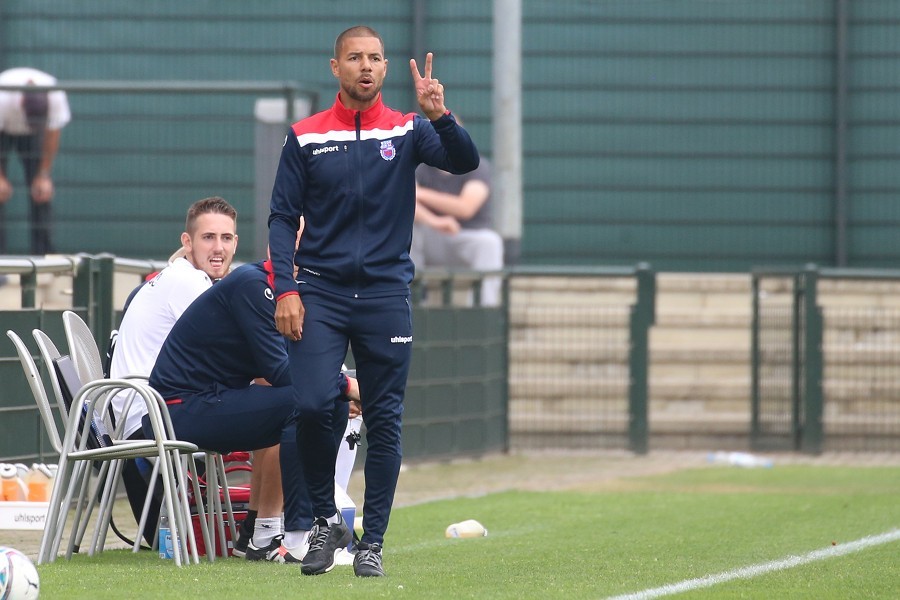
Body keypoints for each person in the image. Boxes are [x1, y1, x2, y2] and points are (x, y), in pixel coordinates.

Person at [267, 25, 480, 577]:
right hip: (320, 292)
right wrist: (286, 288)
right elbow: (281, 217)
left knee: (384, 419)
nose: (366, 66)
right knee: (313, 403)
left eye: (376, 58)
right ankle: (322, 523)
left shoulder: (409, 129)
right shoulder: (305, 136)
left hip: (385, 294)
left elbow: (464, 162)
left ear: (385, 70)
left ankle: (373, 544)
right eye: (355, 57)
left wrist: (440, 114)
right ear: (334, 67)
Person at [147, 257, 360, 564]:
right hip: (178, 409)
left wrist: (338, 387)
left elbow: (284, 371)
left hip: (210, 400)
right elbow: (279, 371)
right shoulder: (253, 284)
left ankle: (287, 529)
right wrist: (347, 386)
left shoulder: (298, 294)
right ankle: (289, 535)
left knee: (323, 401)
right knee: (309, 401)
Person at [109, 196, 241, 545]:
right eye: (208, 238)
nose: (218, 248)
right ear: (187, 242)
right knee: (289, 406)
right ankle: (276, 529)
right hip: (147, 418)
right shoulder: (188, 283)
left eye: (226, 238)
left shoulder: (179, 277)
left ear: (236, 243)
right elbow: (235, 355)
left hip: (141, 412)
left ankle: (266, 525)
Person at [412, 154, 504, 306]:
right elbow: (404, 200)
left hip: (466, 237)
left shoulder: (477, 165)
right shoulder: (418, 165)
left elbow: (466, 207)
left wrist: (420, 193)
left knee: (490, 242)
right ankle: (413, 299)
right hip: (430, 238)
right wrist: (435, 221)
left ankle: (484, 308)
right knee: (409, 230)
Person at [0, 67, 71, 255]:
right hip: (2, 130)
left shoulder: (55, 94)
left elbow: (52, 133)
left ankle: (43, 255)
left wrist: (43, 175)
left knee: (41, 192)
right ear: (21, 102)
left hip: (32, 140)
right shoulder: (2, 96)